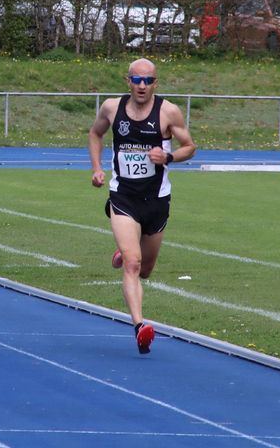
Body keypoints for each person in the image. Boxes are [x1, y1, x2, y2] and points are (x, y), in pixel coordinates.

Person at [88, 58, 196, 354]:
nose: (142, 85)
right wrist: (96, 168)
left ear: (155, 83)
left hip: (156, 201)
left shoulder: (168, 111)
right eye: (137, 80)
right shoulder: (112, 108)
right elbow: (95, 133)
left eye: (148, 80)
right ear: (128, 81)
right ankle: (140, 327)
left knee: (145, 269)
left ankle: (125, 251)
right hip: (123, 197)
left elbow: (190, 147)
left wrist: (169, 157)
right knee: (133, 264)